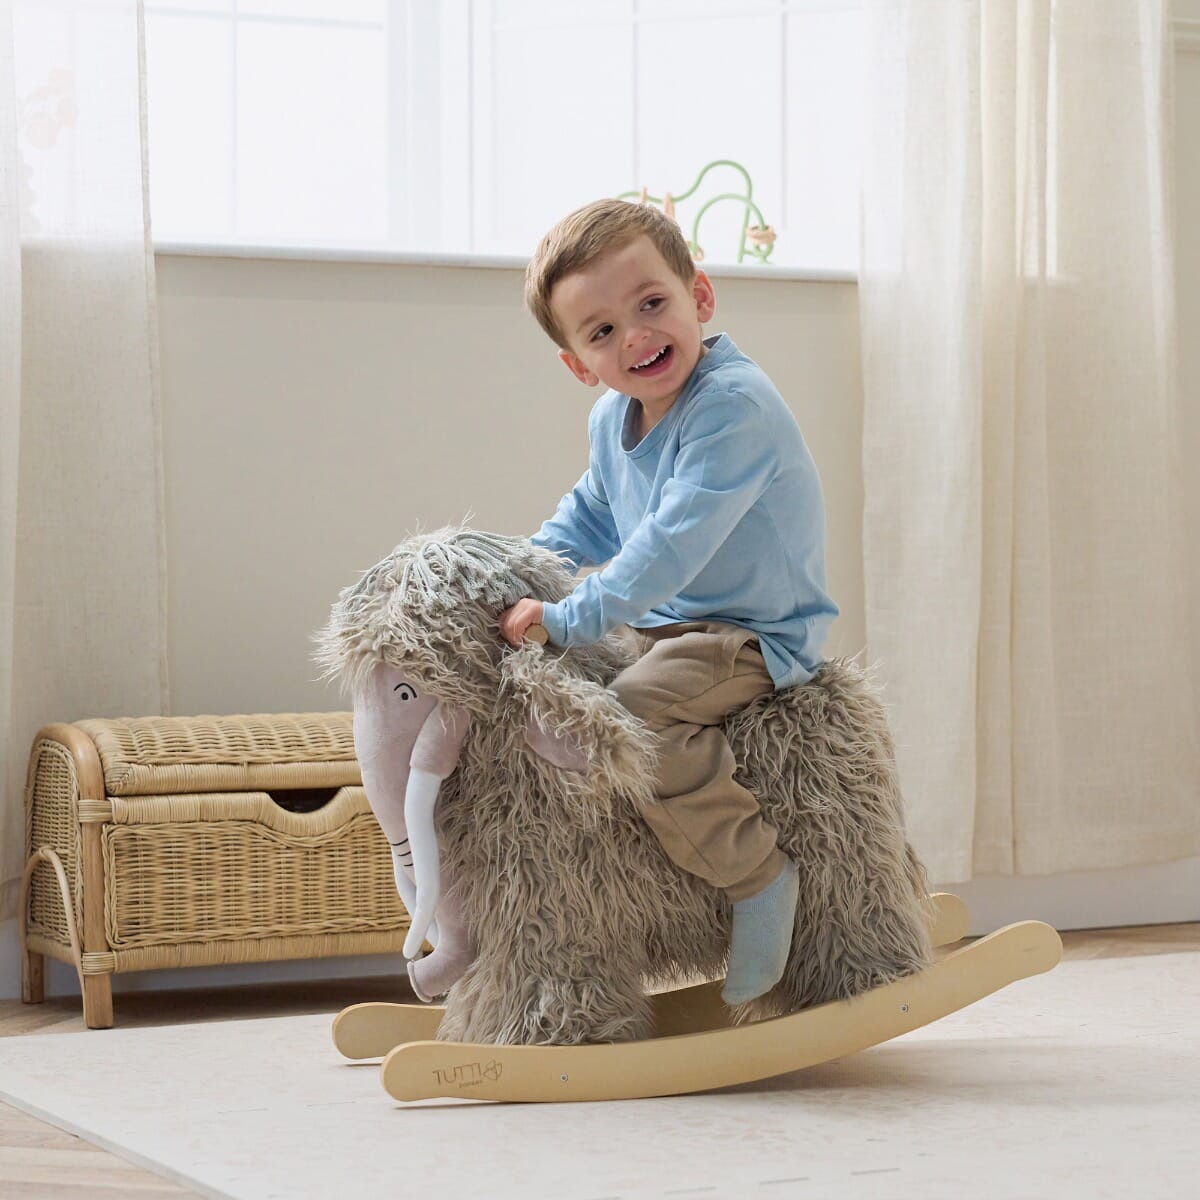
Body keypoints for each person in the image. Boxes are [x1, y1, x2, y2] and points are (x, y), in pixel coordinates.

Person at [498, 198, 838, 1005]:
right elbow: (593, 513)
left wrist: (571, 618)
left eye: (651, 303)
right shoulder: (612, 417)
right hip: (670, 628)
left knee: (635, 714)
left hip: (750, 632)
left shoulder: (733, 409)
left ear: (700, 297)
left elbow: (669, 547)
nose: (636, 336)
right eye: (603, 330)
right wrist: (522, 572)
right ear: (580, 364)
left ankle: (757, 876)